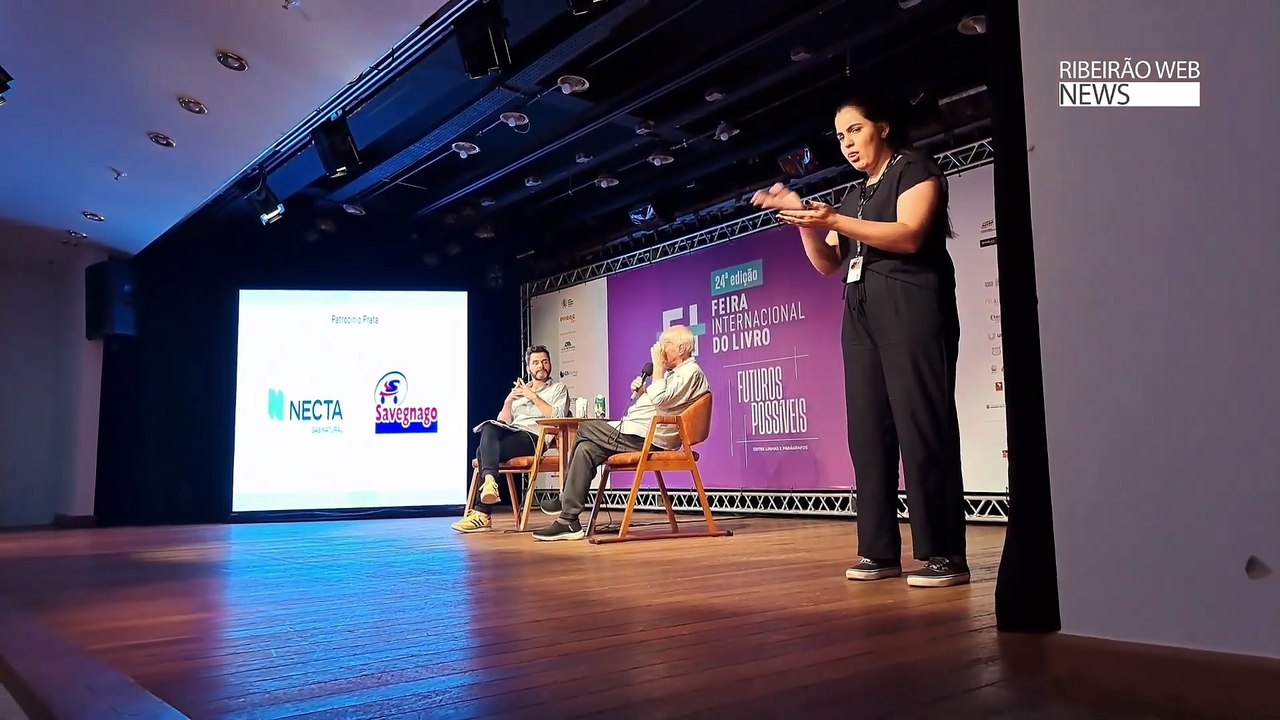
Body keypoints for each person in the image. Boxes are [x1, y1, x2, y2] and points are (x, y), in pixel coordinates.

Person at [750, 94, 969, 587]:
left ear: (882, 127)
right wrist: (803, 219)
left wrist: (830, 219)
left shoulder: (914, 169)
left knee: (922, 426)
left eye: (855, 130)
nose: (847, 143)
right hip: (861, 314)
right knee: (868, 434)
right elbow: (829, 263)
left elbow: (910, 234)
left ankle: (944, 554)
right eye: (840, 136)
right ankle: (878, 550)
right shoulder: (854, 196)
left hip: (912, 307)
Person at [532, 325, 708, 541]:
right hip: (637, 433)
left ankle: (565, 498)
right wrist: (643, 392)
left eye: (665, 344)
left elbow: (661, 399)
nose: (659, 348)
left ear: (681, 348)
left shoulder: (691, 372)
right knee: (586, 449)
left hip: (651, 439)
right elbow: (662, 402)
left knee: (586, 428)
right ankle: (569, 521)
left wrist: (658, 368)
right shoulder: (675, 374)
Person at [452, 345, 568, 533]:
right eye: (536, 363)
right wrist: (508, 402)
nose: (541, 366)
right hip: (514, 433)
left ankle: (483, 513)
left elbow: (558, 417)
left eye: (545, 362)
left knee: (482, 452)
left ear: (550, 364)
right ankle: (489, 484)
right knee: (489, 429)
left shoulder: (557, 389)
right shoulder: (520, 391)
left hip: (534, 438)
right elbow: (503, 422)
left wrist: (534, 397)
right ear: (528, 367)